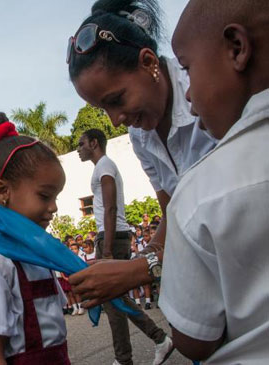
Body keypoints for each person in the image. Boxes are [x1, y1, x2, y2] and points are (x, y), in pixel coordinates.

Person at [67, 0, 218, 308]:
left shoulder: (206, 89)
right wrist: (138, 260)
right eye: (103, 109)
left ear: (149, 62)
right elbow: (173, 213)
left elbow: (227, 206)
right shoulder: (140, 135)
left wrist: (139, 269)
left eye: (117, 99)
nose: (114, 120)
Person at [158, 1, 269, 362]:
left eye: (188, 70)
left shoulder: (200, 193)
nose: (189, 96)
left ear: (236, 48)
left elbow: (194, 339)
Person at [0, 115, 71, 364]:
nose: (53, 207)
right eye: (45, 196)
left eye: (56, 197)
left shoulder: (37, 255)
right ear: (2, 191)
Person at [77, 128, 172, 365]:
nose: (78, 148)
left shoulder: (105, 166)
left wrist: (106, 250)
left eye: (81, 144)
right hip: (110, 236)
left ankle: (125, 358)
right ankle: (157, 339)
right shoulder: (102, 167)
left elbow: (111, 208)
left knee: (112, 300)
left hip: (111, 237)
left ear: (94, 143)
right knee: (115, 298)